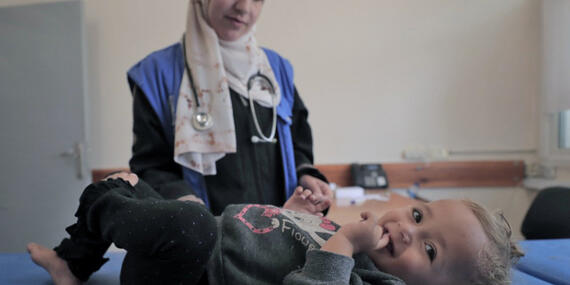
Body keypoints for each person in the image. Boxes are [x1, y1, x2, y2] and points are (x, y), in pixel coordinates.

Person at [27, 172, 523, 285]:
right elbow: (281, 241)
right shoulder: (361, 241)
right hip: (203, 239)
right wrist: (286, 212)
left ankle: (105, 201)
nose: (408, 230)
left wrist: (345, 242)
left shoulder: (366, 274)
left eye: (431, 252)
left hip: (189, 270)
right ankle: (73, 262)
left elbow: (317, 272)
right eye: (419, 215)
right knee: (178, 198)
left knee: (186, 216)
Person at [127, 0, 332, 217]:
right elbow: (151, 166)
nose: (244, 7)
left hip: (280, 236)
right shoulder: (157, 74)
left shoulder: (276, 69)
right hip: (207, 240)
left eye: (257, 0)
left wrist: (305, 175)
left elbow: (297, 141)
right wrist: (182, 201)